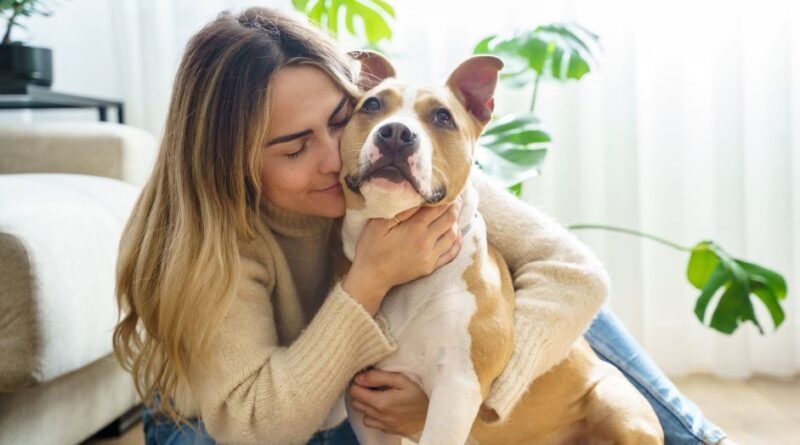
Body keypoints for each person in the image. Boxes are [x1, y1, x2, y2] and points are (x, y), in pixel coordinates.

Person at [112, 6, 734, 445]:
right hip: (226, 426)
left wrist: (480, 394)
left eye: (339, 119)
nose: (335, 157)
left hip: (349, 397)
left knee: (508, 274)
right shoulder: (216, 241)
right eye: (294, 147)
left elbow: (574, 275)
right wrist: (373, 276)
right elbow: (258, 426)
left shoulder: (400, 163)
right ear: (235, 161)